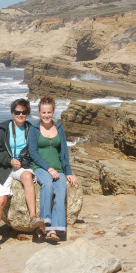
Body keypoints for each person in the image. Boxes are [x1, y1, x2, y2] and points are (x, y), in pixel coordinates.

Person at [0, 98, 44, 250]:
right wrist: (9, 161)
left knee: (27, 177)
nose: (20, 115)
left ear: (27, 113)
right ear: (12, 113)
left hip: (23, 166)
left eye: (24, 112)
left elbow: (37, 151)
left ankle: (33, 217)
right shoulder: (2, 129)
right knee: (1, 201)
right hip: (3, 167)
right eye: (17, 112)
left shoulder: (31, 130)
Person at [29, 95, 78, 242]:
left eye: (49, 112)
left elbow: (64, 152)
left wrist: (68, 172)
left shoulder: (59, 128)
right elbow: (33, 153)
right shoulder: (34, 129)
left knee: (61, 189)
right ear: (39, 112)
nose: (46, 115)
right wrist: (49, 169)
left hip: (58, 168)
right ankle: (45, 223)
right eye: (43, 112)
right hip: (40, 167)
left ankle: (54, 230)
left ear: (53, 112)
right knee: (48, 184)